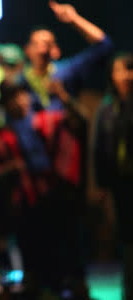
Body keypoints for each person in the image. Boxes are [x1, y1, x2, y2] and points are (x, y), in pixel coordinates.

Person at [0, 81, 88, 297]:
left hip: (56, 200)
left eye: (22, 95)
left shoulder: (47, 121)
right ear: (5, 104)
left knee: (61, 255)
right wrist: (8, 170)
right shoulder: (2, 136)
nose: (19, 102)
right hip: (25, 204)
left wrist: (64, 97)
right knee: (33, 258)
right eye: (12, 98)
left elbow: (80, 122)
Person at [22, 0, 113, 111]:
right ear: (27, 50)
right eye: (36, 44)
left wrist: (74, 19)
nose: (42, 49)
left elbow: (104, 45)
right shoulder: (20, 81)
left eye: (47, 44)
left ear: (55, 50)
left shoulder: (67, 71)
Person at [94, 53, 133, 300]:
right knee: (126, 238)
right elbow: (100, 148)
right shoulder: (107, 107)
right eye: (122, 70)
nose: (127, 75)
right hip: (120, 184)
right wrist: (102, 185)